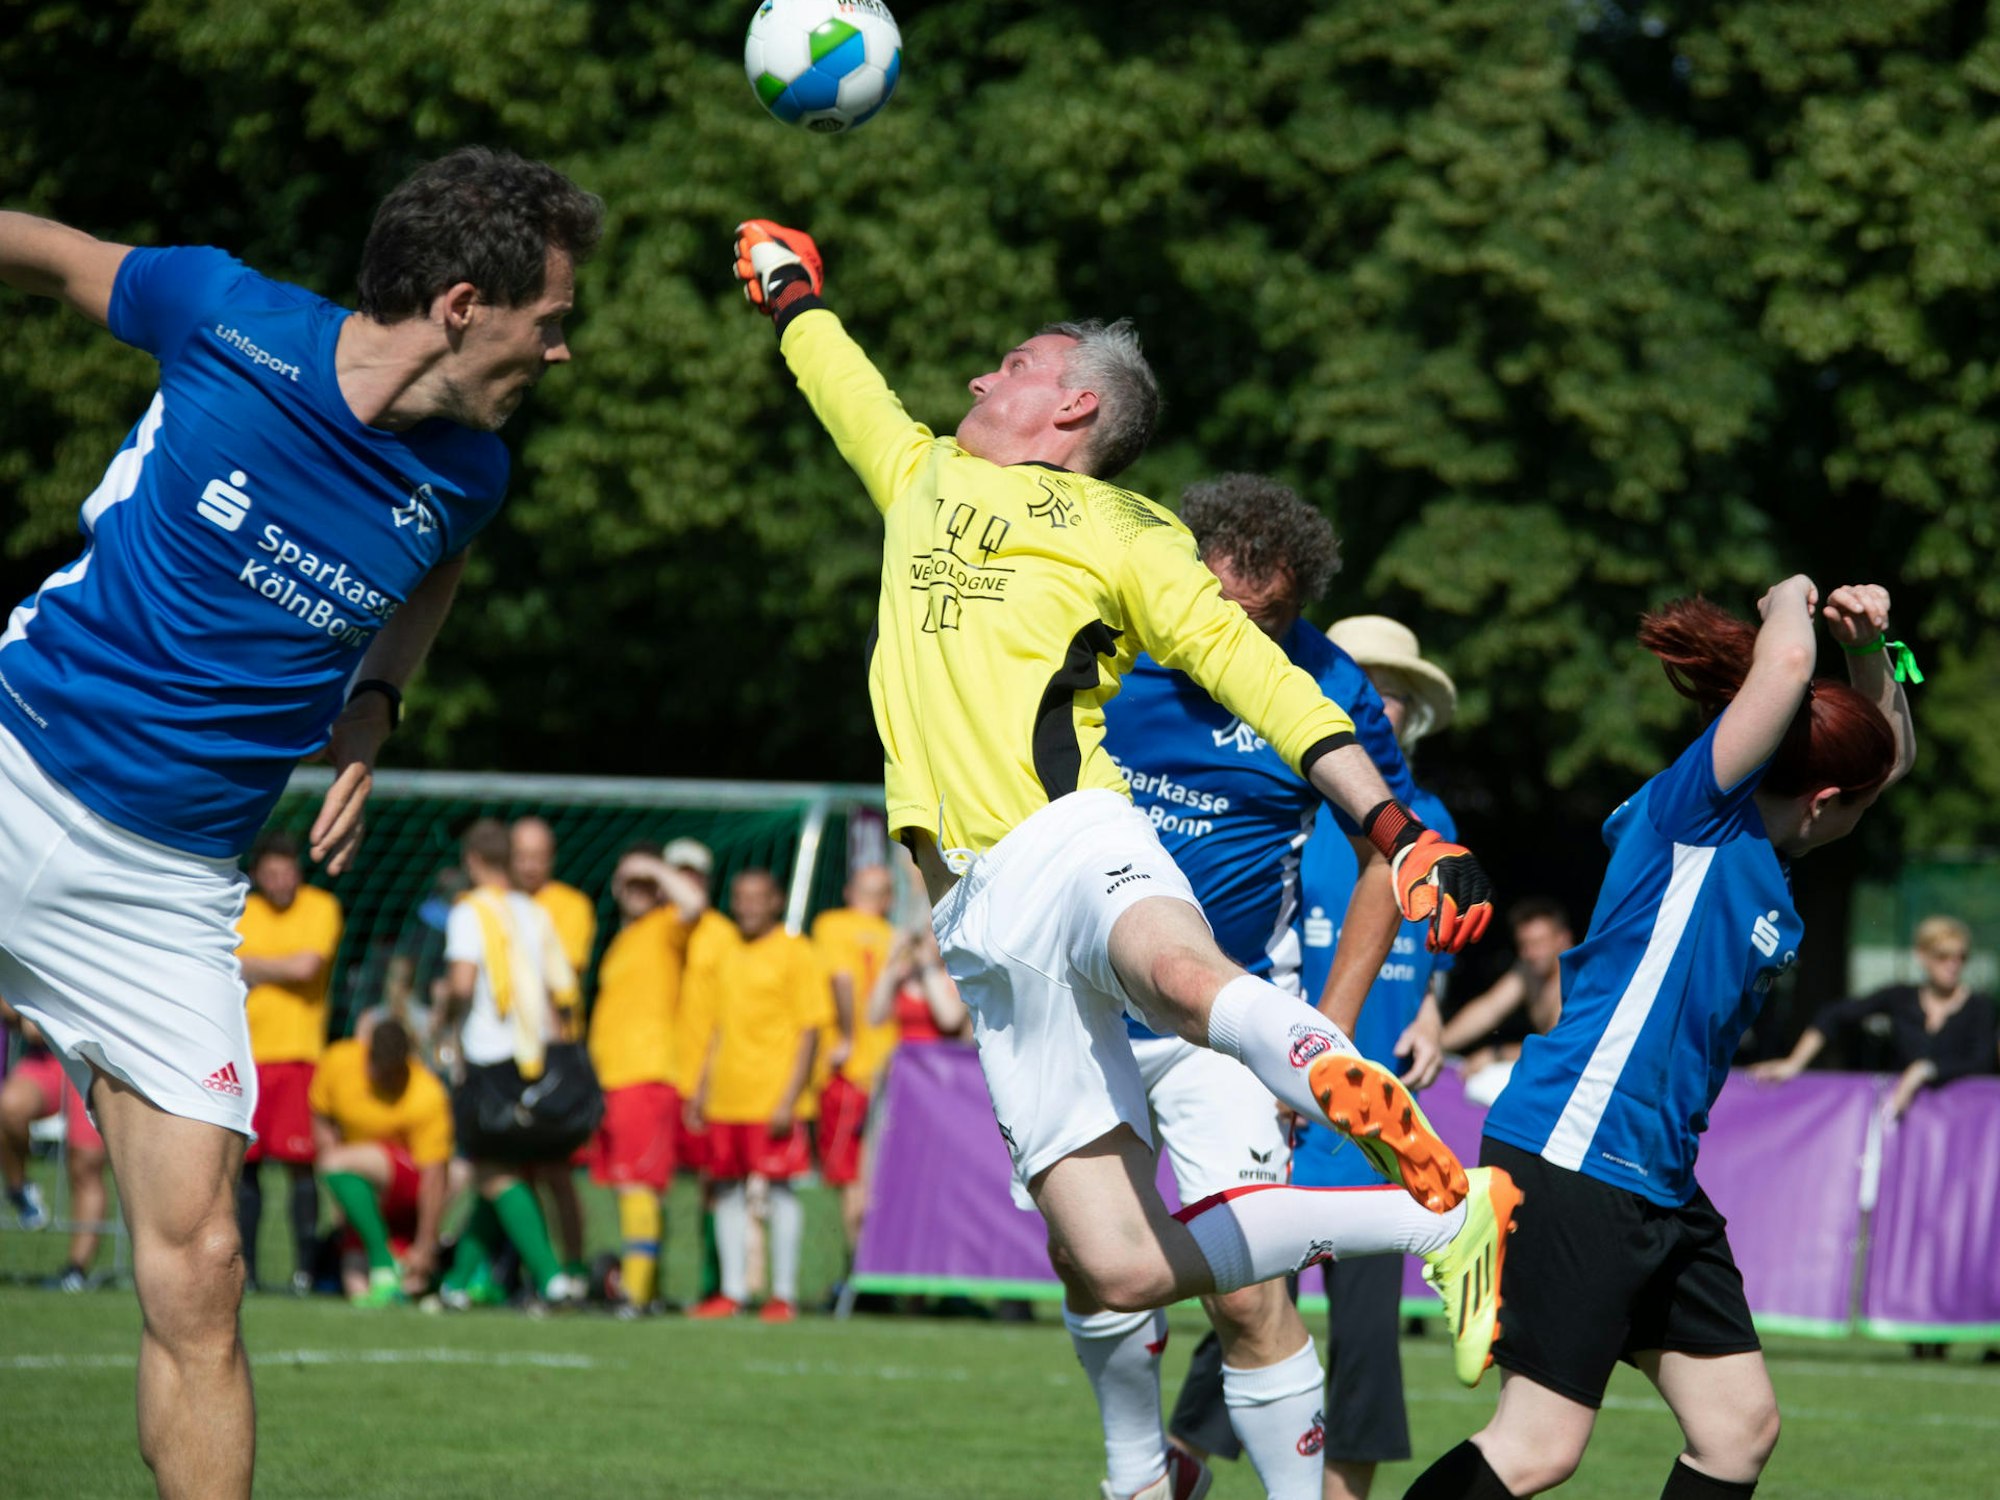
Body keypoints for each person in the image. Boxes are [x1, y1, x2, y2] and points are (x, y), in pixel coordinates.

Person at [735, 220, 1511, 1499]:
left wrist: (1389, 823)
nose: (983, 375)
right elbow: (840, 378)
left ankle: (1324, 1068)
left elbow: (1258, 671)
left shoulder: (1125, 529)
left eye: (1011, 361)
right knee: (1118, 1269)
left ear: (1072, 403)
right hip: (981, 925)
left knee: (1174, 972)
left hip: (1065, 834)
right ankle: (1436, 1215)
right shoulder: (917, 474)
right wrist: (790, 297)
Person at [0, 146, 600, 1495]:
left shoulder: (473, 474)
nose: (562, 352)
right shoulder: (224, 313)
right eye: (550, 319)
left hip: (164, 896)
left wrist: (375, 704)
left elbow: (434, 569)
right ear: (461, 304)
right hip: (13, 759)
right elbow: (48, 254)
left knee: (205, 1264)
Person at [1402, 577, 1916, 1500]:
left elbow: (1886, 761)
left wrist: (1870, 650)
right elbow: (1789, 660)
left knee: (1737, 1430)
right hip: (1577, 1151)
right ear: (1821, 797)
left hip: (1655, 1180)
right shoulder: (1699, 814)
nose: (1863, 814)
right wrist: (1791, 596)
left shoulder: (1769, 843)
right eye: (1854, 803)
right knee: (1537, 1448)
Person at [1081, 475, 1424, 1500]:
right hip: (1082, 1004)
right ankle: (1137, 1480)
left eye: (1271, 619)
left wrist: (1319, 1033)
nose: (1243, 636)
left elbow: (1387, 859)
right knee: (1096, 1266)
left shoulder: (1328, 686)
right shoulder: (1106, 631)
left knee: (1244, 1289)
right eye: (1230, 610)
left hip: (1219, 1021)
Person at [1186, 612, 1463, 1500]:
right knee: (1244, 1306)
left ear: (1410, 709)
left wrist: (1432, 1009)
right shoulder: (1284, 799)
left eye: (1391, 683)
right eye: (1360, 677)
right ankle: (1165, 1475)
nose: (1376, 694)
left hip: (1379, 1108)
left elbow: (1438, 949)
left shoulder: (1432, 821)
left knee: (1369, 1345)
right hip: (1285, 1096)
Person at [434, 818, 589, 1308]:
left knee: (495, 1172)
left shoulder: (470, 910)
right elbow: (559, 989)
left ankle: (551, 1278)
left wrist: (442, 1021)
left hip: (487, 1056)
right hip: (535, 1058)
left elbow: (461, 983)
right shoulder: (534, 912)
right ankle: (457, 1285)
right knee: (500, 1170)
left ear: (473, 861)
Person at [687, 868, 834, 1323]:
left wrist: (790, 1098)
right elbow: (716, 1030)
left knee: (780, 1192)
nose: (748, 906)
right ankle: (732, 1292)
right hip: (726, 1098)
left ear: (775, 902)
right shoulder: (727, 954)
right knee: (727, 1192)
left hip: (772, 1097)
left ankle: (783, 1294)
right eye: (740, 897)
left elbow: (811, 1029)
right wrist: (701, 1090)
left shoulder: (797, 952)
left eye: (758, 897)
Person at [584, 842, 708, 1314]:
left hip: (647, 1075)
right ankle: (644, 1289)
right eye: (629, 883)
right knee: (625, 1187)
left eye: (646, 885)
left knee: (638, 1184)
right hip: (613, 1080)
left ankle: (635, 1294)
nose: (637, 892)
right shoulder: (622, 937)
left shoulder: (666, 927)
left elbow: (694, 903)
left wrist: (653, 867)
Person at [234, 829, 346, 1292]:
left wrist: (252, 964)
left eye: (289, 872)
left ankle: (303, 1271)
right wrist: (275, 965)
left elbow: (307, 968)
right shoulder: (241, 908)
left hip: (300, 1059)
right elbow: (224, 961)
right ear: (258, 875)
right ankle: (250, 1273)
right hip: (245, 1056)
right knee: (247, 1169)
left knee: (302, 1169)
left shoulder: (321, 907)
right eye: (272, 873)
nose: (281, 881)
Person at [1752, 914, 1996, 1117]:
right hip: (1903, 1117)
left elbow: (1981, 1062)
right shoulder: (1900, 998)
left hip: (1964, 1121)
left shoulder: (1981, 1007)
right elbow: (1834, 1015)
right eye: (1943, 956)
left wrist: (1923, 1071)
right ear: (1923, 956)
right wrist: (1793, 1064)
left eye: (1960, 957)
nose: (1953, 965)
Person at [309, 1017, 452, 1307]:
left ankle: (384, 1258)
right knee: (359, 1292)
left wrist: (425, 1244)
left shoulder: (426, 1092)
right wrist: (342, 1200)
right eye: (378, 1069)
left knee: (334, 1161)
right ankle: (393, 1268)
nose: (384, 1078)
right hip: (364, 1188)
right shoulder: (339, 1061)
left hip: (409, 1185)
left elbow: (435, 1178)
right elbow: (321, 1117)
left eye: (392, 1073)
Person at [509, 815, 596, 1280]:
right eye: (521, 855)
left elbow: (561, 979)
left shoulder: (571, 906)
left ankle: (574, 1266)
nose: (529, 865)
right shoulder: (494, 904)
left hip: (553, 1054)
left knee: (557, 1172)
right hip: (503, 1055)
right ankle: (521, 1271)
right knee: (506, 1166)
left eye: (538, 856)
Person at [662, 836, 743, 1300]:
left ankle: (716, 1287)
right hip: (657, 1075)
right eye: (678, 872)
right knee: (647, 1186)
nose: (684, 881)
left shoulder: (720, 935)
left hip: (699, 1081)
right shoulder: (655, 927)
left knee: (713, 1187)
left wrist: (705, 1083)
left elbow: (725, 1020)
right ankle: (645, 1285)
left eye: (692, 873)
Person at [810, 863, 899, 1267]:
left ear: (849, 892)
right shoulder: (895, 938)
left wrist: (847, 1035)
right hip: (892, 1068)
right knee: (881, 1179)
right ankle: (877, 1267)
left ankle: (861, 1271)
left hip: (852, 1070)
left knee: (851, 1180)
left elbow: (842, 980)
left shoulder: (832, 924)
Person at [2, 997, 111, 1289]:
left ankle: (75, 1270)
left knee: (85, 1161)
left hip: (93, 1058)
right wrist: (23, 1012)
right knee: (9, 1107)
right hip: (47, 1057)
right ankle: (19, 1187)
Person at [1439, 899, 1573, 1107]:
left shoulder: (1574, 982)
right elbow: (1488, 1010)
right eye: (1524, 945)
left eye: (1538, 944)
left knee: (1484, 1081)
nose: (1529, 953)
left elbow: (1556, 1051)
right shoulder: (1529, 969)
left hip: (1570, 1083)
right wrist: (1437, 1044)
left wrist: (1495, 1054)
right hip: (1549, 1070)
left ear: (1563, 940)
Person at [866, 924, 971, 1044]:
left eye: (936, 929)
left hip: (942, 1059)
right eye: (928, 929)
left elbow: (949, 1021)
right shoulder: (906, 975)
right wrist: (891, 961)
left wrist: (928, 967)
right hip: (906, 1059)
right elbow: (874, 1019)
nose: (927, 937)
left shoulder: (959, 975)